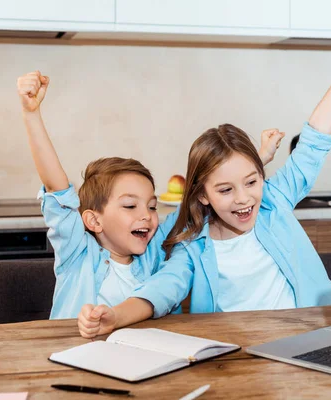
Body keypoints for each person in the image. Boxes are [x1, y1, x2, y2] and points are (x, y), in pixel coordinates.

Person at [76, 16, 331, 339]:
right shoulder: (193, 245)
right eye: (225, 189)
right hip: (242, 355)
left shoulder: (273, 201)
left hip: (316, 334)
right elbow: (162, 290)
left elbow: (315, 140)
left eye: (251, 182)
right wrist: (115, 316)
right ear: (202, 195)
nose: (243, 198)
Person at [16, 71, 284, 319]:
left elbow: (205, 200)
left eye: (152, 206)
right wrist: (31, 113)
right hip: (78, 358)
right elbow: (56, 187)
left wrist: (257, 161)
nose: (146, 216)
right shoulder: (78, 253)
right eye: (130, 206)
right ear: (94, 221)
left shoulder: (153, 251)